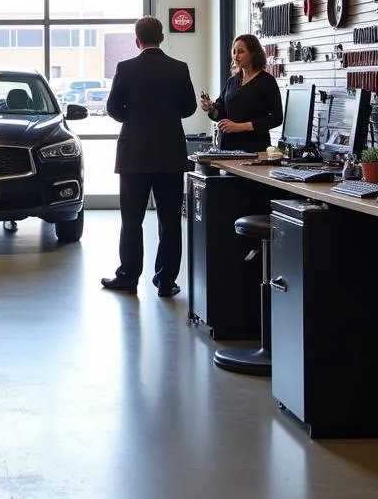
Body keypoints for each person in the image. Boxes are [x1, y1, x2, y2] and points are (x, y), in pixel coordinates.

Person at [101, 16, 197, 298]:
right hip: (170, 154)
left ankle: (129, 277)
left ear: (136, 40)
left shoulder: (125, 68)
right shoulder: (179, 69)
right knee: (169, 221)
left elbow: (113, 108)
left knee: (132, 220)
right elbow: (190, 107)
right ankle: (166, 282)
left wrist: (133, 118)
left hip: (134, 155)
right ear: (163, 37)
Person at [200, 33, 282, 153]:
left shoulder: (266, 81)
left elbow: (277, 118)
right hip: (228, 148)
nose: (235, 56)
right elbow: (221, 112)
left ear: (253, 53)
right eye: (234, 52)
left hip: (254, 148)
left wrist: (241, 127)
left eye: (241, 52)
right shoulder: (232, 81)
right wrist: (211, 108)